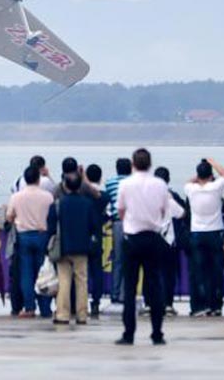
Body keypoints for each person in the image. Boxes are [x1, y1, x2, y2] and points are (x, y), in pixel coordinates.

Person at [115, 148, 175, 346]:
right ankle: (157, 333)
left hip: (132, 238)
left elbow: (121, 210)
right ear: (150, 164)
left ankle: (128, 333)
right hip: (152, 237)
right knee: (155, 286)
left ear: (133, 164)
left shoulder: (126, 184)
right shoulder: (159, 185)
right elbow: (164, 209)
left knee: (130, 288)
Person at [48, 173, 101, 325]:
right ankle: (82, 315)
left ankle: (63, 314)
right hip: (82, 248)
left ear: (64, 185)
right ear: (80, 186)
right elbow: (94, 226)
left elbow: (51, 227)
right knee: (82, 281)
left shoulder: (58, 204)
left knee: (64, 281)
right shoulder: (88, 203)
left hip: (63, 247)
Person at [7, 164, 54, 319]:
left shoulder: (16, 197)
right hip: (42, 236)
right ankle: (45, 308)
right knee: (44, 272)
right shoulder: (47, 197)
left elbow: (9, 217)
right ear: (39, 179)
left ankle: (29, 307)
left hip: (24, 235)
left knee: (26, 274)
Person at [184, 158, 224, 317]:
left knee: (198, 271)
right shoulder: (216, 187)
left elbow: (189, 181)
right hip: (215, 233)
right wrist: (213, 161)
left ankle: (199, 306)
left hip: (197, 233)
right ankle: (216, 306)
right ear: (211, 176)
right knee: (216, 272)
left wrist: (198, 177)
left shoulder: (190, 189)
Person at [154, 166, 187, 316]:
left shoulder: (146, 196)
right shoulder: (171, 196)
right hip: (169, 241)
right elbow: (182, 213)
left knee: (152, 273)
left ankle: (151, 303)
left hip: (151, 239)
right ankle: (168, 304)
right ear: (168, 180)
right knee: (169, 274)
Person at [105, 157, 132, 311]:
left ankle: (115, 293)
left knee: (118, 259)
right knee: (132, 260)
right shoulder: (134, 183)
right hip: (134, 223)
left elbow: (108, 202)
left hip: (116, 223)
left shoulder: (110, 182)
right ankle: (126, 293)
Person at [84, 164, 111, 318]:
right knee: (96, 270)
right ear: (100, 177)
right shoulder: (104, 196)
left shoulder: (82, 194)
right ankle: (96, 301)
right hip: (97, 235)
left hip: (81, 235)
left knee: (80, 272)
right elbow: (108, 215)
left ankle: (79, 301)